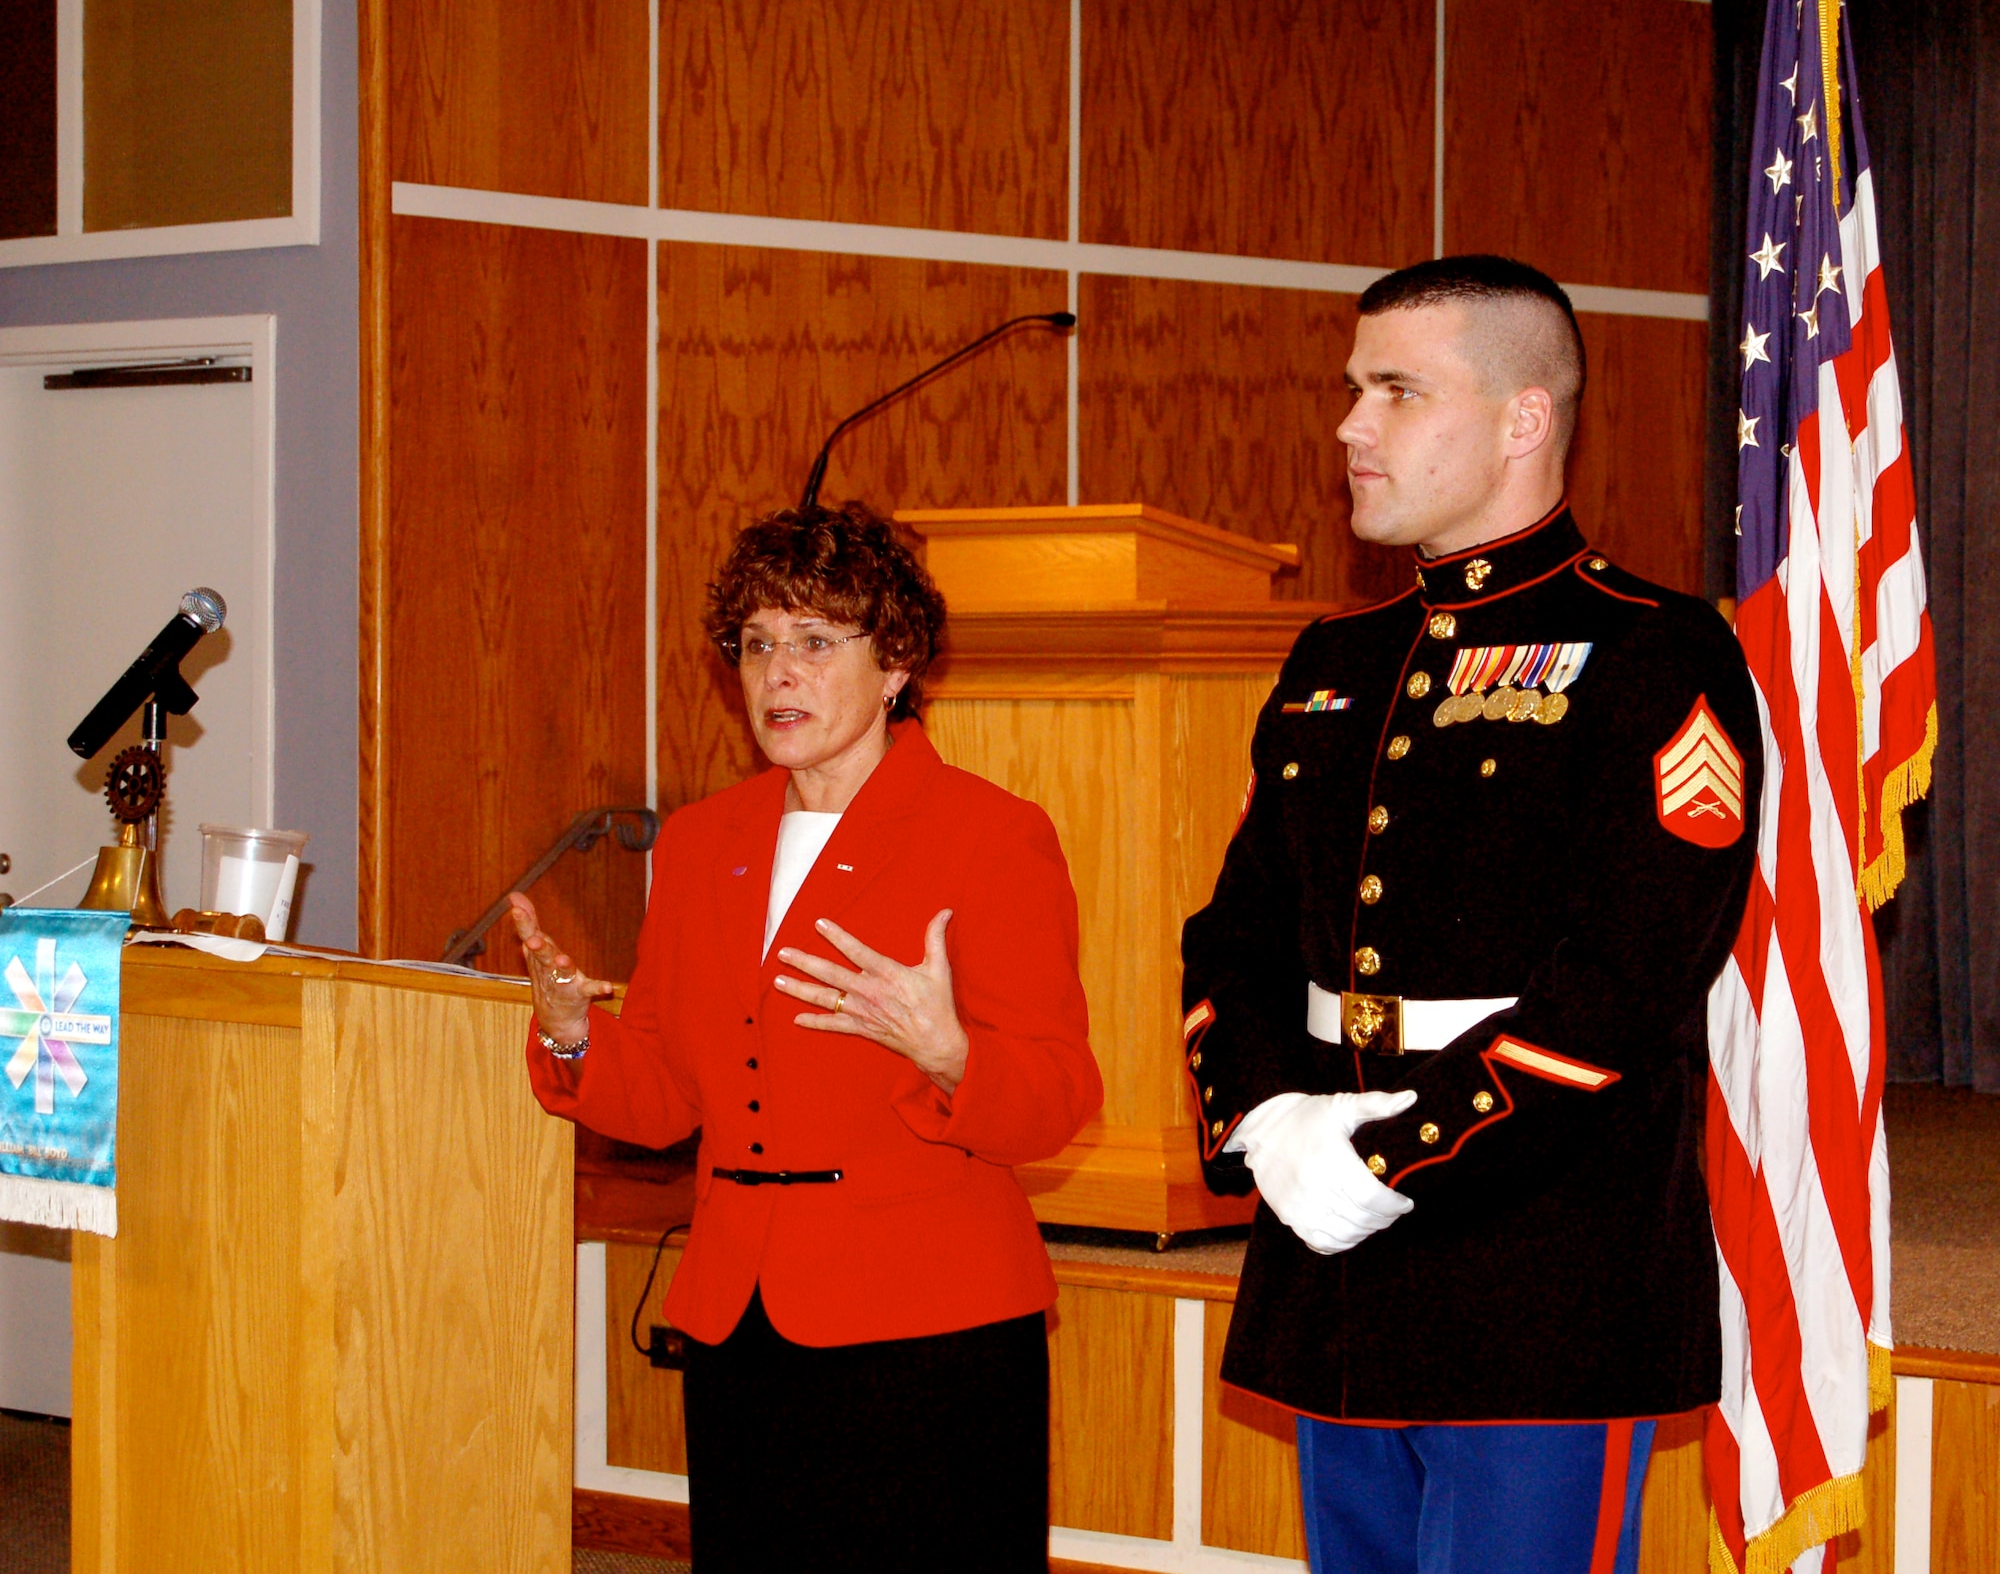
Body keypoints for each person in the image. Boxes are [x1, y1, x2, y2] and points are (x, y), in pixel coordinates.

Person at [1181, 256, 1761, 1574]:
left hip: (1538, 1271)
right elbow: (1239, 936)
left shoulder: (1654, 654)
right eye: (1350, 389)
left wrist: (1387, 1158)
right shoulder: (1339, 660)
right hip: (1338, 1267)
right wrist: (1270, 1120)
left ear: (1522, 421)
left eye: (1395, 390)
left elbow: (1625, 986)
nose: (1350, 426)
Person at [512, 502, 1101, 1573]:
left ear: (895, 664)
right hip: (740, 1317)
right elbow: (665, 1098)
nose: (778, 672)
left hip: (928, 1327)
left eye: (816, 642)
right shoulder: (700, 844)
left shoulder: (987, 834)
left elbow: (1058, 1094)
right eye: (757, 644)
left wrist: (949, 1052)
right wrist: (572, 1038)